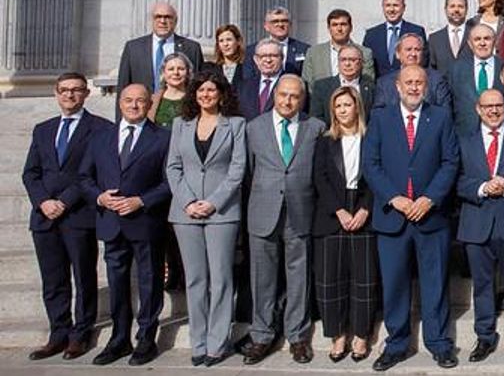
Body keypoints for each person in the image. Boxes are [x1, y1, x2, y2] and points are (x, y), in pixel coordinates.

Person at [362, 65, 460, 370]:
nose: (415, 87)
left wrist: (429, 198)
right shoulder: (380, 118)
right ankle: (397, 344)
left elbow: (450, 161)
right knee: (394, 284)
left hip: (431, 216)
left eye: (420, 82)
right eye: (409, 82)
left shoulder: (441, 117)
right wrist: (396, 198)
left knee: (435, 282)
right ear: (398, 86)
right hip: (393, 215)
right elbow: (371, 164)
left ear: (426, 86)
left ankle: (439, 343)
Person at [79, 84, 172, 366]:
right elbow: (84, 177)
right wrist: (99, 197)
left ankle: (146, 337)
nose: (134, 106)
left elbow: (170, 182)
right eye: (129, 101)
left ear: (149, 104)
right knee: (118, 283)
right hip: (111, 222)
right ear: (120, 104)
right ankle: (119, 338)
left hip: (145, 221)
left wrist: (141, 201)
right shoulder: (100, 137)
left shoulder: (163, 138)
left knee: (149, 281)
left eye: (140, 101)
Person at [22, 73, 110, 362]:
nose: (70, 95)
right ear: (56, 93)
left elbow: (95, 173)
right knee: (53, 280)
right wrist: (44, 202)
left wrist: (65, 201)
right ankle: (58, 333)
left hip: (79, 215)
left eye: (76, 90)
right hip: (45, 217)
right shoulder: (42, 129)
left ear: (86, 93)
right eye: (64, 90)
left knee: (84, 277)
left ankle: (80, 334)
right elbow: (31, 173)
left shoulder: (100, 129)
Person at [241, 75, 327, 365]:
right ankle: (261, 335)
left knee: (298, 278)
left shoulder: (315, 127)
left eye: (294, 96)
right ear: (274, 95)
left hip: (300, 212)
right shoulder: (254, 128)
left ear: (302, 99)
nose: (288, 101)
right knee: (262, 278)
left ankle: (298, 336)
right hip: (263, 211)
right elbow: (249, 172)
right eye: (283, 95)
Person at [164, 70, 247, 366]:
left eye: (211, 90)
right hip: (185, 214)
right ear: (194, 94)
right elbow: (173, 167)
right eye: (201, 90)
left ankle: (217, 342)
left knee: (221, 278)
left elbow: (237, 170)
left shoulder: (235, 125)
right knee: (196, 279)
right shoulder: (180, 125)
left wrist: (212, 203)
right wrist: (188, 202)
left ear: (222, 94)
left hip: (221, 213)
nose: (206, 95)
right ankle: (198, 342)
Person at [456, 89, 504, 363]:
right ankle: (485, 337)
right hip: (477, 224)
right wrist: (481, 187)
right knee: (482, 286)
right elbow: (457, 180)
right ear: (478, 109)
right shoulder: (464, 141)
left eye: (498, 106)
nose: (493, 111)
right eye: (488, 106)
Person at [312, 87, 379, 363]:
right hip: (332, 214)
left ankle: (361, 337)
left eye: (347, 105)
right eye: (337, 105)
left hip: (363, 210)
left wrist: (365, 208)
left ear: (357, 107)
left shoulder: (371, 138)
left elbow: (377, 174)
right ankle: (338, 335)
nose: (342, 110)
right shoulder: (325, 141)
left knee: (363, 280)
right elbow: (320, 178)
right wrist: (338, 210)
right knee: (330, 280)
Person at [116, 2, 203, 96]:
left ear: (175, 21)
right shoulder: (133, 48)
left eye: (168, 17)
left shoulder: (192, 48)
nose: (162, 21)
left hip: (180, 107)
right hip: (144, 107)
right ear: (152, 20)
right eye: (158, 17)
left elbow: (199, 84)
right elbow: (123, 87)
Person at [373, 33, 452, 110]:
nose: (413, 54)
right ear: (397, 54)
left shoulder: (436, 80)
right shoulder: (384, 83)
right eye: (408, 49)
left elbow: (445, 112)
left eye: (417, 50)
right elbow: (378, 116)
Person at [301, 8, 376, 87]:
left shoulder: (365, 53)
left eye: (343, 24)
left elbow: (368, 84)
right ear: (329, 28)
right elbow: (308, 85)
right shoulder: (313, 53)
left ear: (351, 28)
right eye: (335, 25)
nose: (339, 29)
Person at [448, 23, 501, 136]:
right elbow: (450, 104)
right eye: (477, 39)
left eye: (487, 39)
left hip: (498, 134)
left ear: (495, 41)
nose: (482, 43)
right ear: (470, 44)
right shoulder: (456, 69)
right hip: (465, 135)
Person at [362, 0, 427, 78]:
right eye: (388, 5)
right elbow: (366, 65)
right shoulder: (371, 35)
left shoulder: (416, 31)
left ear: (403, 7)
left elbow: (424, 61)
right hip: (380, 88)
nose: (392, 10)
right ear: (383, 7)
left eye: (396, 5)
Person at [309, 44, 376, 127]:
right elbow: (316, 118)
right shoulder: (322, 87)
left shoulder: (372, 88)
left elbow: (375, 119)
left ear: (361, 63)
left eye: (352, 60)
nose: (347, 64)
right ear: (338, 62)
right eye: (343, 59)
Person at [245, 6, 310, 79]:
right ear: (266, 26)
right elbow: (248, 78)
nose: (280, 24)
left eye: (284, 21)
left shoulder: (304, 50)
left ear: (290, 25)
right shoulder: (251, 50)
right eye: (275, 21)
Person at [238, 40, 285, 120]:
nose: (268, 60)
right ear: (256, 60)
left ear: (282, 58)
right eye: (263, 56)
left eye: (273, 55)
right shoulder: (243, 87)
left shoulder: (291, 85)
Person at [427, 0, 470, 72]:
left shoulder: (475, 35)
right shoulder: (434, 39)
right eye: (452, 6)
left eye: (460, 6)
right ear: (446, 10)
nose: (456, 10)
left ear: (466, 10)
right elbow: (431, 70)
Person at [149, 52, 192, 127]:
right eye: (171, 69)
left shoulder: (194, 99)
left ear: (188, 72)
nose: (176, 73)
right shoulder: (152, 100)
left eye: (181, 69)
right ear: (163, 73)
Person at [206, 24, 247, 90]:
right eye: (221, 41)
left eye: (229, 39)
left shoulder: (247, 69)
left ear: (238, 41)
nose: (225, 44)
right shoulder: (211, 69)